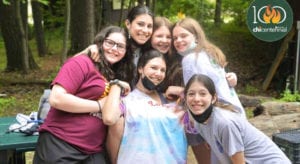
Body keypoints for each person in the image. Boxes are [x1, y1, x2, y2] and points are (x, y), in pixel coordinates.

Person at [33, 26, 134, 163]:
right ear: (101, 41)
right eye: (110, 43)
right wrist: (98, 105)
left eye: (121, 46)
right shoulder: (82, 62)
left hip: (93, 151)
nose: (114, 49)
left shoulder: (116, 76)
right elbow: (57, 98)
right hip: (61, 144)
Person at [171, 17, 243, 163]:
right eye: (175, 38)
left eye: (183, 36)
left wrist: (203, 130)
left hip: (218, 119)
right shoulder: (211, 53)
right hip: (236, 114)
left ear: (196, 36)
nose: (178, 40)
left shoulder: (190, 59)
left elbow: (196, 96)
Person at [102, 49, 188, 164]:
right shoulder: (127, 101)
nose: (158, 73)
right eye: (153, 68)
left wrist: (181, 91)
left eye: (162, 70)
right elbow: (110, 122)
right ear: (140, 69)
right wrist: (116, 85)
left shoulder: (172, 102)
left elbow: (201, 102)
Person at [184, 74, 291, 164]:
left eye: (203, 94)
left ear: (213, 98)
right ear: (185, 97)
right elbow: (218, 152)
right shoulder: (198, 121)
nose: (196, 99)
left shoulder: (224, 123)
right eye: (191, 94)